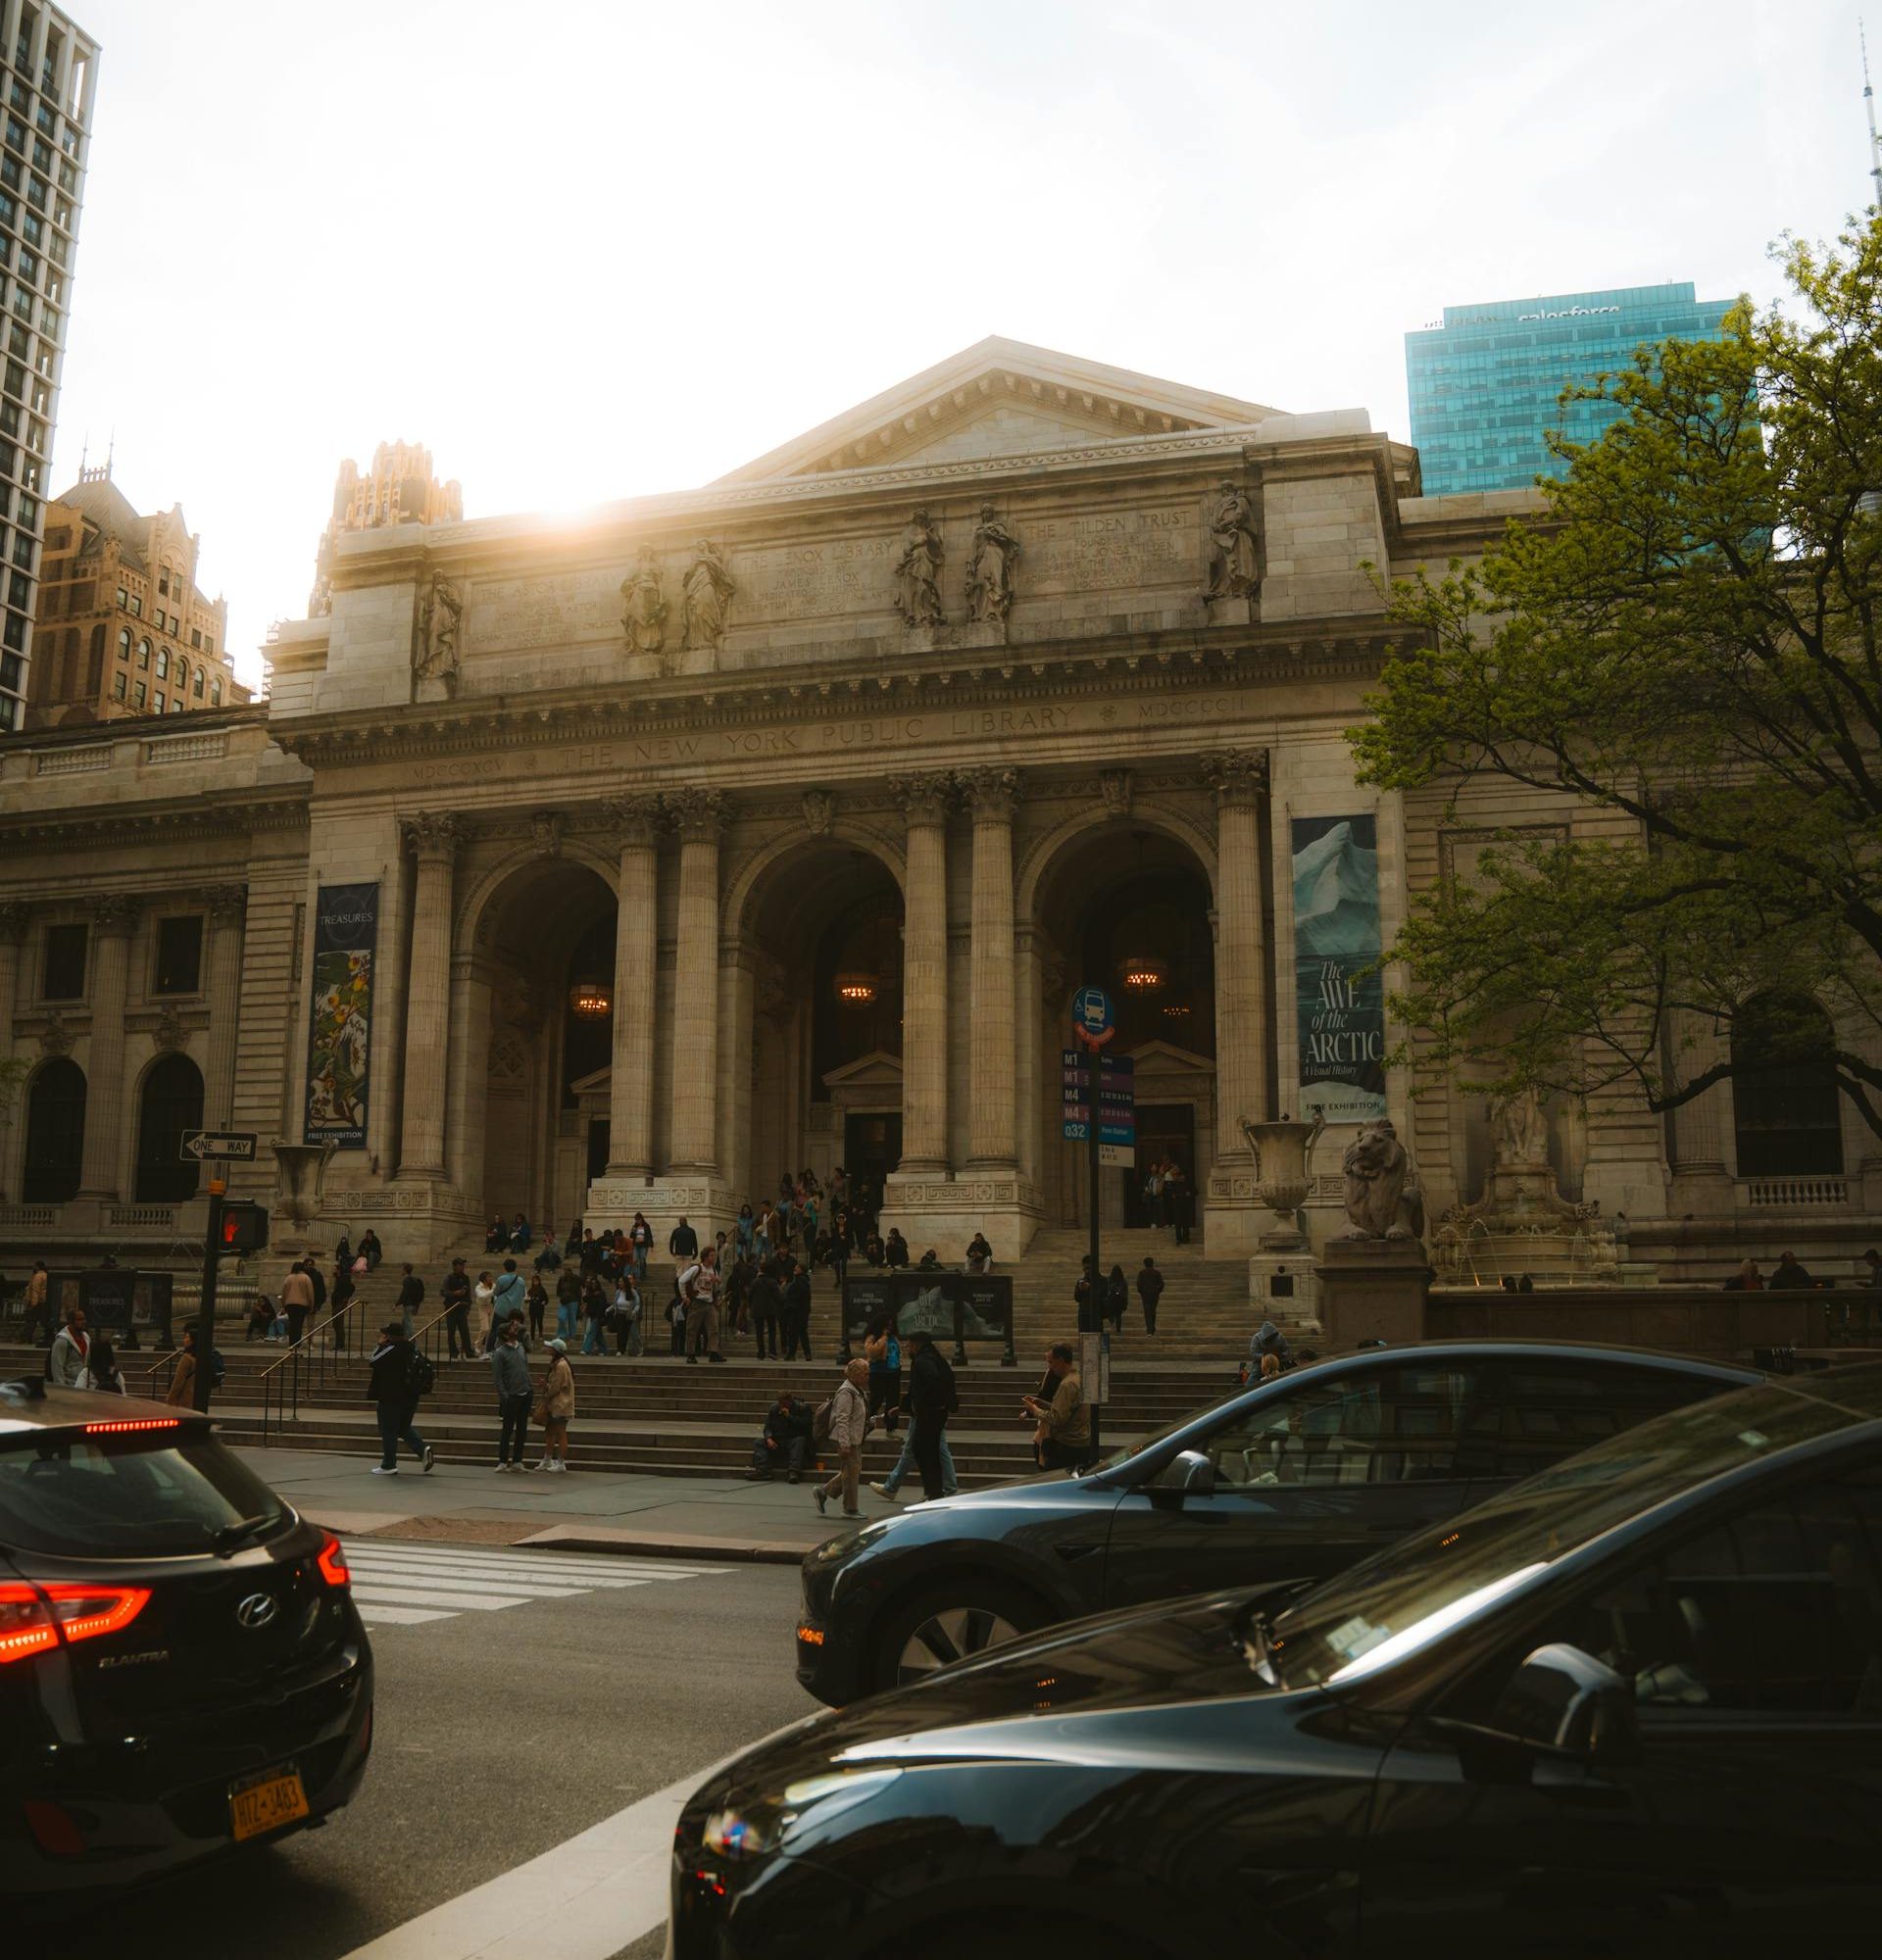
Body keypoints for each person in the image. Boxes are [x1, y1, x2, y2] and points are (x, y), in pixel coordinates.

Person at [366, 1322, 433, 1476]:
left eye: (386, 1335)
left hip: (390, 1396)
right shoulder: (412, 1348)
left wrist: (380, 1345)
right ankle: (423, 1450)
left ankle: (389, 1464)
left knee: (388, 1430)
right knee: (403, 1426)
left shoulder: (391, 1349)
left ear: (390, 1336)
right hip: (410, 1396)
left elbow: (373, 1361)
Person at [813, 1358, 870, 1518]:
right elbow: (842, 1419)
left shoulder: (856, 1389)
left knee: (852, 1471)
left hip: (854, 1438)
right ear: (855, 1374)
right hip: (845, 1439)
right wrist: (844, 1444)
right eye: (865, 1374)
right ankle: (850, 1508)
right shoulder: (846, 1392)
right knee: (851, 1472)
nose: (868, 1377)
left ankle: (823, 1492)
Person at [903, 1328, 957, 1499]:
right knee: (927, 1450)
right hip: (936, 1411)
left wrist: (925, 1404)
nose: (907, 1347)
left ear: (917, 1344)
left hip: (930, 1413)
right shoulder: (934, 1356)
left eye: (909, 1344)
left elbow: (931, 1380)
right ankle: (934, 1490)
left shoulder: (922, 1360)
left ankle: (933, 1491)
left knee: (924, 1450)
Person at [1023, 1343, 1091, 1472]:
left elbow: (1057, 1418)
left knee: (1049, 1480)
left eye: (1051, 1362)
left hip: (1067, 1445)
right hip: (1080, 1442)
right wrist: (1042, 1403)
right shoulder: (1078, 1379)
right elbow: (1067, 1409)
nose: (1050, 1367)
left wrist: (1035, 1410)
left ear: (1060, 1360)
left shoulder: (1067, 1385)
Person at [490, 1316, 532, 1471]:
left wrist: (529, 1386)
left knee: (522, 1429)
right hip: (511, 1396)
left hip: (525, 1393)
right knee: (507, 1429)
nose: (516, 1329)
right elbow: (497, 1377)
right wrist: (505, 1396)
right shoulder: (500, 1353)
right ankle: (502, 1460)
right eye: (512, 1329)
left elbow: (525, 1366)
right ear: (506, 1335)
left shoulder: (520, 1347)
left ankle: (517, 1460)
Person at [745, 1390, 812, 1483]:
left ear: (790, 1401)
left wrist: (789, 1416)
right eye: (780, 1403)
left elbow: (806, 1426)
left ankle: (793, 1471)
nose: (782, 1406)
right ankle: (762, 1470)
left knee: (800, 1441)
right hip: (778, 1439)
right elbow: (768, 1427)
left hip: (792, 1438)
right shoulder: (774, 1408)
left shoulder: (802, 1408)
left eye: (784, 1403)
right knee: (758, 1442)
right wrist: (769, 1438)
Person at [531, 1337, 573, 1472]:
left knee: (560, 1433)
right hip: (555, 1404)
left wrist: (546, 1386)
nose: (547, 1348)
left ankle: (561, 1463)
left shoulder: (561, 1365)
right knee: (549, 1431)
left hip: (560, 1404)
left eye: (550, 1347)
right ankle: (547, 1459)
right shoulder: (558, 1363)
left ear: (555, 1350)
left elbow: (556, 1387)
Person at [678, 1246, 725, 1364]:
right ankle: (690, 1354)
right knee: (692, 1329)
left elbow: (717, 1286)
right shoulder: (696, 1268)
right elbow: (681, 1280)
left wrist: (717, 1282)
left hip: (709, 1303)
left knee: (714, 1328)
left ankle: (713, 1352)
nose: (713, 1258)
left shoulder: (713, 1270)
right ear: (705, 1257)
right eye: (711, 1255)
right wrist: (684, 1296)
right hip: (697, 1302)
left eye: (714, 1255)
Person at [863, 1313, 902, 1432]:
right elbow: (871, 1352)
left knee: (893, 1402)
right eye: (887, 1325)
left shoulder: (894, 1338)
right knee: (876, 1400)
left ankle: (891, 1428)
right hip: (878, 1372)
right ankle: (865, 1423)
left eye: (891, 1325)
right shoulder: (873, 1337)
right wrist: (883, 1338)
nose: (890, 1328)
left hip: (893, 1372)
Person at [490, 1259, 527, 1351]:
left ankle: (491, 1350)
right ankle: (516, 1350)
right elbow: (523, 1295)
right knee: (515, 1332)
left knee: (496, 1331)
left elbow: (496, 1292)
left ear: (505, 1267)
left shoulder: (501, 1279)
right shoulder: (521, 1280)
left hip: (501, 1310)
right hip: (515, 1312)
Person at [750, 1258, 783, 1360]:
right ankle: (772, 1351)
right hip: (770, 1309)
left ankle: (761, 1352)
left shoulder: (755, 1281)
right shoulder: (772, 1282)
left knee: (759, 1332)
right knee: (772, 1330)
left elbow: (750, 1295)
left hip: (757, 1309)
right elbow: (778, 1297)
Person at [443, 1259, 475, 1360]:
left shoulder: (466, 1278)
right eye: (460, 1265)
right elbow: (443, 1292)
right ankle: (453, 1352)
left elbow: (468, 1293)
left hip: (462, 1308)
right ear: (455, 1266)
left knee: (465, 1331)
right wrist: (454, 1293)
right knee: (451, 1332)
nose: (462, 1267)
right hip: (451, 1309)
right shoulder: (448, 1278)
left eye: (463, 1265)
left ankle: (468, 1351)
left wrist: (468, 1305)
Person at [48, 1305, 89, 1386]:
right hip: (69, 1385)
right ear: (71, 1321)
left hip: (82, 1385)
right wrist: (62, 1388)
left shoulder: (86, 1338)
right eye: (80, 1319)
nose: (84, 1321)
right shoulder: (62, 1341)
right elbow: (57, 1368)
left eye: (84, 1319)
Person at [782, 1255, 814, 1361]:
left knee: (795, 1334)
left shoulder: (801, 1281)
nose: (795, 1268)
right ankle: (804, 1354)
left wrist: (788, 1298)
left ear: (802, 1270)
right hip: (799, 1311)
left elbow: (800, 1295)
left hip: (797, 1311)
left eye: (798, 1267)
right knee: (799, 1333)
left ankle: (793, 1354)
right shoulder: (800, 1280)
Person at [280, 1259, 316, 1348]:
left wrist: (283, 1304)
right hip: (302, 1304)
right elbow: (310, 1293)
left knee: (292, 1323)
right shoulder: (306, 1278)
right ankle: (297, 1343)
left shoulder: (288, 1278)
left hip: (290, 1304)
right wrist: (311, 1305)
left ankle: (291, 1343)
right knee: (299, 1324)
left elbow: (284, 1292)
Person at [166, 1325, 200, 1407]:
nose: (184, 1340)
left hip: (184, 1398)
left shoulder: (187, 1358)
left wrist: (170, 1398)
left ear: (193, 1341)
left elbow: (178, 1380)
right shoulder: (201, 1357)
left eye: (187, 1337)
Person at [580, 1270, 610, 1355]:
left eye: (594, 1283)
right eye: (591, 1283)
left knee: (591, 1332)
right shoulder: (590, 1294)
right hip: (592, 1315)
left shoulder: (601, 1293)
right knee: (598, 1335)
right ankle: (603, 1350)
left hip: (598, 1315)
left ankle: (586, 1349)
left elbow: (603, 1305)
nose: (593, 1285)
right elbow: (585, 1299)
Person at [1136, 1255, 1165, 1335]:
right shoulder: (1156, 1273)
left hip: (1145, 1295)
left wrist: (1142, 1292)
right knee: (1152, 1311)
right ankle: (1152, 1327)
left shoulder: (1142, 1273)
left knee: (1147, 1312)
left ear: (1144, 1264)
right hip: (1154, 1294)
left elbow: (1139, 1284)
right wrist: (1157, 1291)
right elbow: (1161, 1284)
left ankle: (1149, 1329)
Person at [555, 1262, 582, 1344]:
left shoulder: (576, 1278)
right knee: (561, 1317)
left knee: (572, 1319)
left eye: (569, 1270)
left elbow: (581, 1287)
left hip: (573, 1301)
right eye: (565, 1270)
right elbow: (558, 1289)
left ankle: (572, 1335)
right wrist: (561, 1295)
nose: (567, 1272)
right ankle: (562, 1334)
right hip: (563, 1301)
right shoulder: (562, 1279)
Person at [396, 1262, 425, 1337]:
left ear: (405, 1270)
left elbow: (405, 1293)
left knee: (408, 1321)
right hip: (413, 1304)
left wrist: (397, 1304)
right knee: (404, 1321)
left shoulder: (407, 1280)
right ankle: (403, 1336)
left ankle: (412, 1337)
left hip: (408, 1304)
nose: (401, 1271)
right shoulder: (413, 1280)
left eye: (402, 1269)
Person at [24, 1260, 49, 1346]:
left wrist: (32, 1304)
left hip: (37, 1303)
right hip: (43, 1301)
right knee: (43, 1321)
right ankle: (48, 1334)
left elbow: (35, 1290)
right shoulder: (46, 1275)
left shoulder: (38, 1276)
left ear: (37, 1267)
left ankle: (28, 1338)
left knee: (31, 1321)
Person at [525, 1269, 549, 1343]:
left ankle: (540, 1335)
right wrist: (527, 1299)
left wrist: (544, 1302)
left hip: (540, 1308)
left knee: (539, 1322)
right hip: (532, 1308)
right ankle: (532, 1337)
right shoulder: (531, 1289)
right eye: (534, 1281)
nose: (535, 1282)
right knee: (532, 1323)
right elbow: (527, 1299)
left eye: (536, 1281)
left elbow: (546, 1299)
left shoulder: (542, 1289)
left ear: (539, 1281)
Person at [629, 1211, 653, 1285]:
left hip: (643, 1245)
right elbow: (631, 1236)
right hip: (636, 1245)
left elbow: (649, 1236)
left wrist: (651, 1245)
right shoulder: (634, 1226)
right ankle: (637, 1275)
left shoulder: (646, 1226)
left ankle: (643, 1274)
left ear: (641, 1219)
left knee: (642, 1260)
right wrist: (633, 1231)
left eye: (638, 1220)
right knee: (635, 1260)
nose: (637, 1221)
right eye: (636, 1220)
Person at [1105, 1262, 1129, 1333]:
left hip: (1112, 1300)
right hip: (1120, 1301)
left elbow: (1107, 1290)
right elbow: (1126, 1292)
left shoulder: (1109, 1280)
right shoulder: (1123, 1281)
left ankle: (1112, 1321)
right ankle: (1118, 1330)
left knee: (1112, 1313)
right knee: (1118, 1316)